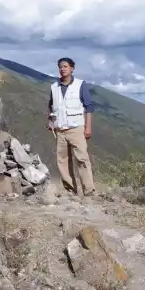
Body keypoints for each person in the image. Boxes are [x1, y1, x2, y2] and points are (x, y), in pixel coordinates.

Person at [47, 57, 95, 196]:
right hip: (60, 129)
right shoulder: (54, 87)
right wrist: (50, 121)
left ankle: (89, 190)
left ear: (72, 69)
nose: (62, 69)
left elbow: (89, 107)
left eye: (65, 66)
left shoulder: (80, 85)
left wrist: (88, 127)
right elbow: (50, 105)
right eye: (60, 67)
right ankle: (70, 190)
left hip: (76, 128)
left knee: (82, 159)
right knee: (62, 161)